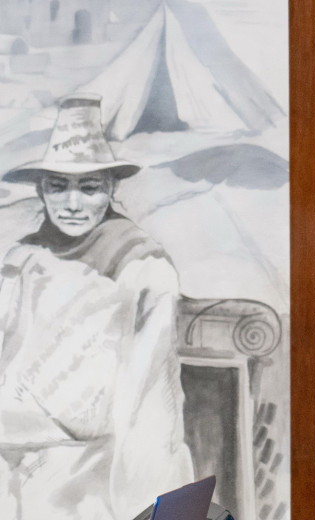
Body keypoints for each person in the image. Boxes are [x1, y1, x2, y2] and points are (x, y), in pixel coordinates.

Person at [0, 94, 193, 520]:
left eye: (89, 188)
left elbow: (121, 397)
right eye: (58, 186)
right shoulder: (22, 258)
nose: (72, 204)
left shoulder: (142, 265)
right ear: (41, 190)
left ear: (111, 189)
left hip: (98, 456)